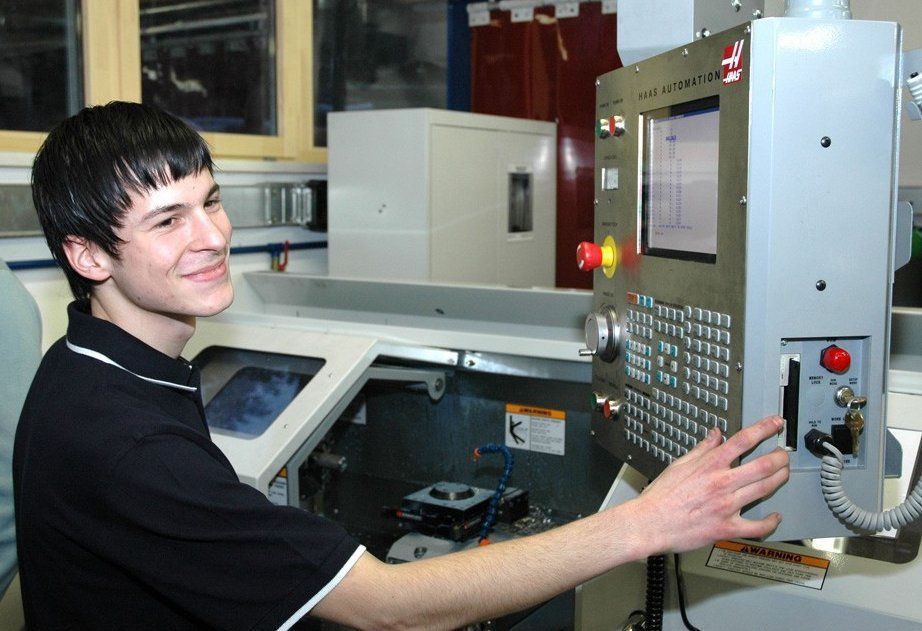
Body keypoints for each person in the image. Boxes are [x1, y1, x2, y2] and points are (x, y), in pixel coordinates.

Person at [13, 101, 789, 630]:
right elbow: (385, 607)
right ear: (88, 255)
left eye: (210, 202)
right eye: (167, 221)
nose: (212, 237)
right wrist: (644, 523)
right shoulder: (125, 440)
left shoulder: (89, 364)